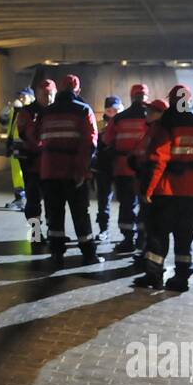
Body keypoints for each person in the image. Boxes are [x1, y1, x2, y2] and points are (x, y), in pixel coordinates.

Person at [135, 84, 193, 292]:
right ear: (189, 100)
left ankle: (154, 275)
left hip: (166, 189)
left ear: (172, 99)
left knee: (158, 233)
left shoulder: (166, 123)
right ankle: (181, 278)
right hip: (192, 189)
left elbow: (158, 159)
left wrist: (147, 190)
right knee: (185, 236)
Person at [32, 74, 98, 268]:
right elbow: (90, 143)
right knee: (80, 214)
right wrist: (82, 170)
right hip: (73, 172)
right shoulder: (83, 110)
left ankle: (56, 253)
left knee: (54, 214)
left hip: (49, 171)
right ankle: (88, 254)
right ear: (77, 90)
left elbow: (36, 137)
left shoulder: (46, 112)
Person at [101, 83, 150, 253]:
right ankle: (142, 240)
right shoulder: (153, 118)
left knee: (127, 204)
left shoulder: (120, 118)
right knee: (146, 205)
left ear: (131, 97)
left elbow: (107, 141)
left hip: (123, 168)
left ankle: (128, 239)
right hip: (147, 170)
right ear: (146, 97)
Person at [14, 78, 56, 247]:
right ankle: (36, 233)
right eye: (45, 95)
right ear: (37, 94)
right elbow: (26, 135)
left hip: (51, 165)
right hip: (33, 165)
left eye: (51, 94)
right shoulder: (28, 112)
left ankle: (53, 233)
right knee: (33, 202)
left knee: (53, 202)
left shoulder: (55, 111)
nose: (48, 98)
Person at [127, 98, 167, 262]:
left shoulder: (160, 131)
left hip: (153, 186)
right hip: (145, 181)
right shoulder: (151, 129)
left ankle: (151, 262)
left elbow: (156, 160)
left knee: (152, 222)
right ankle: (144, 250)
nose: (147, 114)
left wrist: (148, 189)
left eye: (151, 111)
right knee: (145, 219)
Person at [92, 94, 123, 239]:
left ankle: (128, 233)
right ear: (106, 110)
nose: (114, 112)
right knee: (103, 200)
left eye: (117, 109)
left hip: (120, 166)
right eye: (111, 109)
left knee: (126, 200)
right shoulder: (98, 125)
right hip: (103, 167)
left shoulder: (124, 124)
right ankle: (103, 230)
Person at [3, 87, 34, 209]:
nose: (20, 98)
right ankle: (19, 199)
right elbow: (8, 125)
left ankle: (28, 201)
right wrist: (8, 143)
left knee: (28, 173)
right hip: (16, 145)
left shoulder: (34, 111)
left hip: (27, 146)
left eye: (24, 96)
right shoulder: (15, 110)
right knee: (17, 173)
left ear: (31, 98)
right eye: (20, 96)